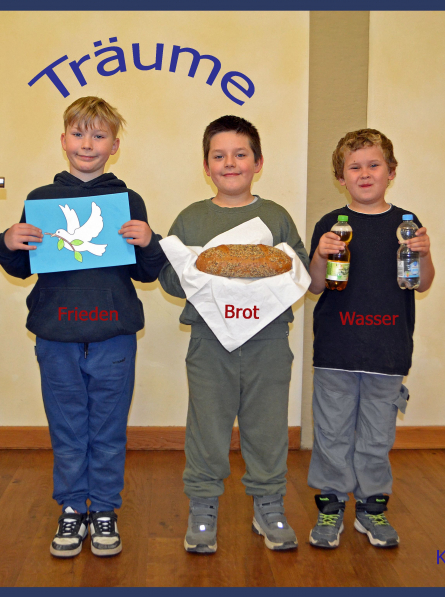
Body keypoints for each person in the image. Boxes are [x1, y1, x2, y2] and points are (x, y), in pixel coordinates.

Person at [0, 96, 167, 558]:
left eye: (99, 135)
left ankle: (104, 509)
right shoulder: (40, 200)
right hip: (56, 337)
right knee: (68, 428)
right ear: (63, 139)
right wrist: (8, 241)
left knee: (108, 429)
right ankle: (72, 508)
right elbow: (20, 265)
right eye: (78, 133)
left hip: (114, 337)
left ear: (114, 145)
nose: (87, 144)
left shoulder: (128, 201)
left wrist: (150, 241)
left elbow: (147, 272)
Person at [159, 115, 310, 554]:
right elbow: (168, 278)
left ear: (258, 163)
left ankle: (269, 503)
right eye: (219, 156)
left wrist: (262, 273)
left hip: (269, 342)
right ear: (206, 166)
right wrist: (200, 275)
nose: (230, 163)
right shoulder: (191, 219)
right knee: (207, 426)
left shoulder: (275, 217)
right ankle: (203, 505)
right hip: (209, 342)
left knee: (267, 427)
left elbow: (298, 270)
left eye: (240, 154)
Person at [306, 128, 435, 549]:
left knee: (377, 437)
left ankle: (371, 508)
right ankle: (330, 507)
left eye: (374, 165)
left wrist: (425, 253)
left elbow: (422, 283)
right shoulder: (331, 225)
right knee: (332, 433)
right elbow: (315, 285)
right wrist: (320, 254)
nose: (364, 174)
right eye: (354, 167)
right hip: (336, 352)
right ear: (340, 177)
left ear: (391, 171)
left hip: (388, 352)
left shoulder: (407, 225)